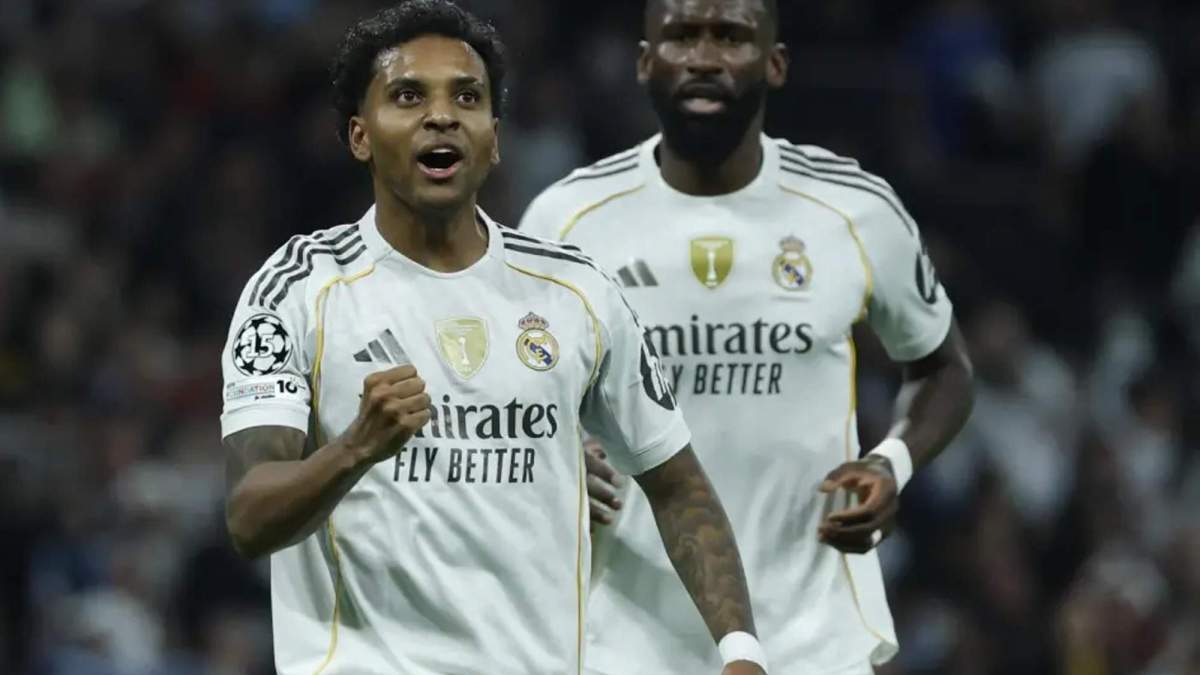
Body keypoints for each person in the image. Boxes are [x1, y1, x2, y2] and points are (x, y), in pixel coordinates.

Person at [218, 2, 766, 674]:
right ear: (360, 135)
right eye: (408, 96)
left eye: (467, 97)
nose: (442, 115)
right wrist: (357, 446)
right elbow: (249, 517)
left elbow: (678, 483)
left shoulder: (576, 293)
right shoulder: (297, 289)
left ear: (494, 136)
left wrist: (741, 652)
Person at [519, 0, 975, 673]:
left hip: (814, 638)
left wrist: (892, 463)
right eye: (680, 37)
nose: (704, 57)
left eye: (730, 36)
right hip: (625, 640)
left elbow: (945, 367)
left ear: (776, 63)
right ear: (644, 64)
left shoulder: (856, 209)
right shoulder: (567, 219)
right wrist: (550, 455)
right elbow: (504, 396)